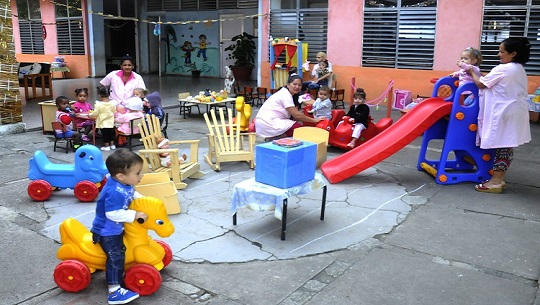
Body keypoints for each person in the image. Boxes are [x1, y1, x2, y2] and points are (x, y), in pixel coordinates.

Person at [466, 37, 531, 193]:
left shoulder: (503, 68)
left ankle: (495, 181)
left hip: (504, 113)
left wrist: (470, 71)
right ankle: (499, 180)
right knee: (506, 147)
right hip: (515, 111)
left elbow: (481, 83)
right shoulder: (519, 69)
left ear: (513, 53)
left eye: (502, 51)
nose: (498, 54)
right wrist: (478, 73)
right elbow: (489, 79)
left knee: (502, 146)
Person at [90, 149, 148, 305]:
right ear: (121, 176)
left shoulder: (123, 183)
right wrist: (134, 215)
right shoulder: (114, 191)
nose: (140, 176)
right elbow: (112, 214)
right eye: (137, 173)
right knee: (116, 257)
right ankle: (114, 291)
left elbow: (132, 193)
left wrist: (144, 202)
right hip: (107, 232)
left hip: (116, 228)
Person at [255, 74, 323, 139]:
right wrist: (315, 120)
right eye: (294, 84)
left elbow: (296, 115)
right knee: (300, 130)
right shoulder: (285, 95)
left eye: (299, 85)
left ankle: (276, 137)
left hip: (264, 122)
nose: (297, 87)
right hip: (268, 123)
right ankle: (274, 137)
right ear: (288, 84)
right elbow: (297, 115)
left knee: (296, 127)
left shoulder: (288, 94)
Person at [90, 85, 117, 151]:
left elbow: (96, 113)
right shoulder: (113, 103)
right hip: (110, 121)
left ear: (99, 94)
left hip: (103, 122)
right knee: (111, 134)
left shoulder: (98, 104)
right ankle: (112, 145)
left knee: (105, 135)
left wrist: (90, 114)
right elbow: (114, 110)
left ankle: (107, 146)